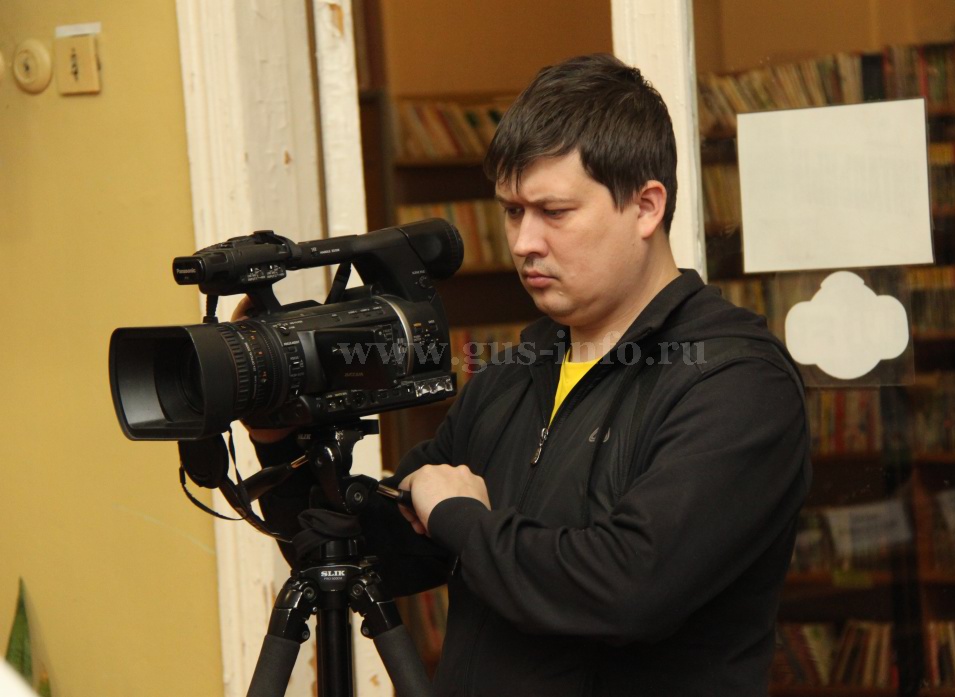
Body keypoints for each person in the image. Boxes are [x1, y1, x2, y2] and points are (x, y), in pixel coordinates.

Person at [255, 53, 810, 696]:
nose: (523, 243)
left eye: (554, 211)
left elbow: (624, 588)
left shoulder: (736, 381)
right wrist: (280, 441)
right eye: (513, 211)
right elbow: (388, 556)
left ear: (646, 206)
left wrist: (460, 517)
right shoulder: (517, 371)